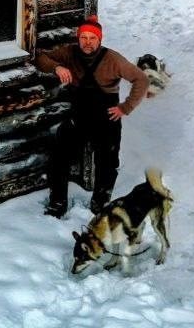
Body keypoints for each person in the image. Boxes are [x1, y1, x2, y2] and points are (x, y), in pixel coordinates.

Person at [36, 14, 149, 218]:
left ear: (100, 39)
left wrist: (125, 107)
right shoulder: (70, 53)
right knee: (59, 157)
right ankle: (57, 203)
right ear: (78, 38)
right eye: (84, 38)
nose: (87, 42)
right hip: (78, 116)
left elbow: (141, 79)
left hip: (107, 118)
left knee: (107, 163)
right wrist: (57, 67)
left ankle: (100, 205)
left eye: (92, 38)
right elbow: (41, 57)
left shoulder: (113, 59)